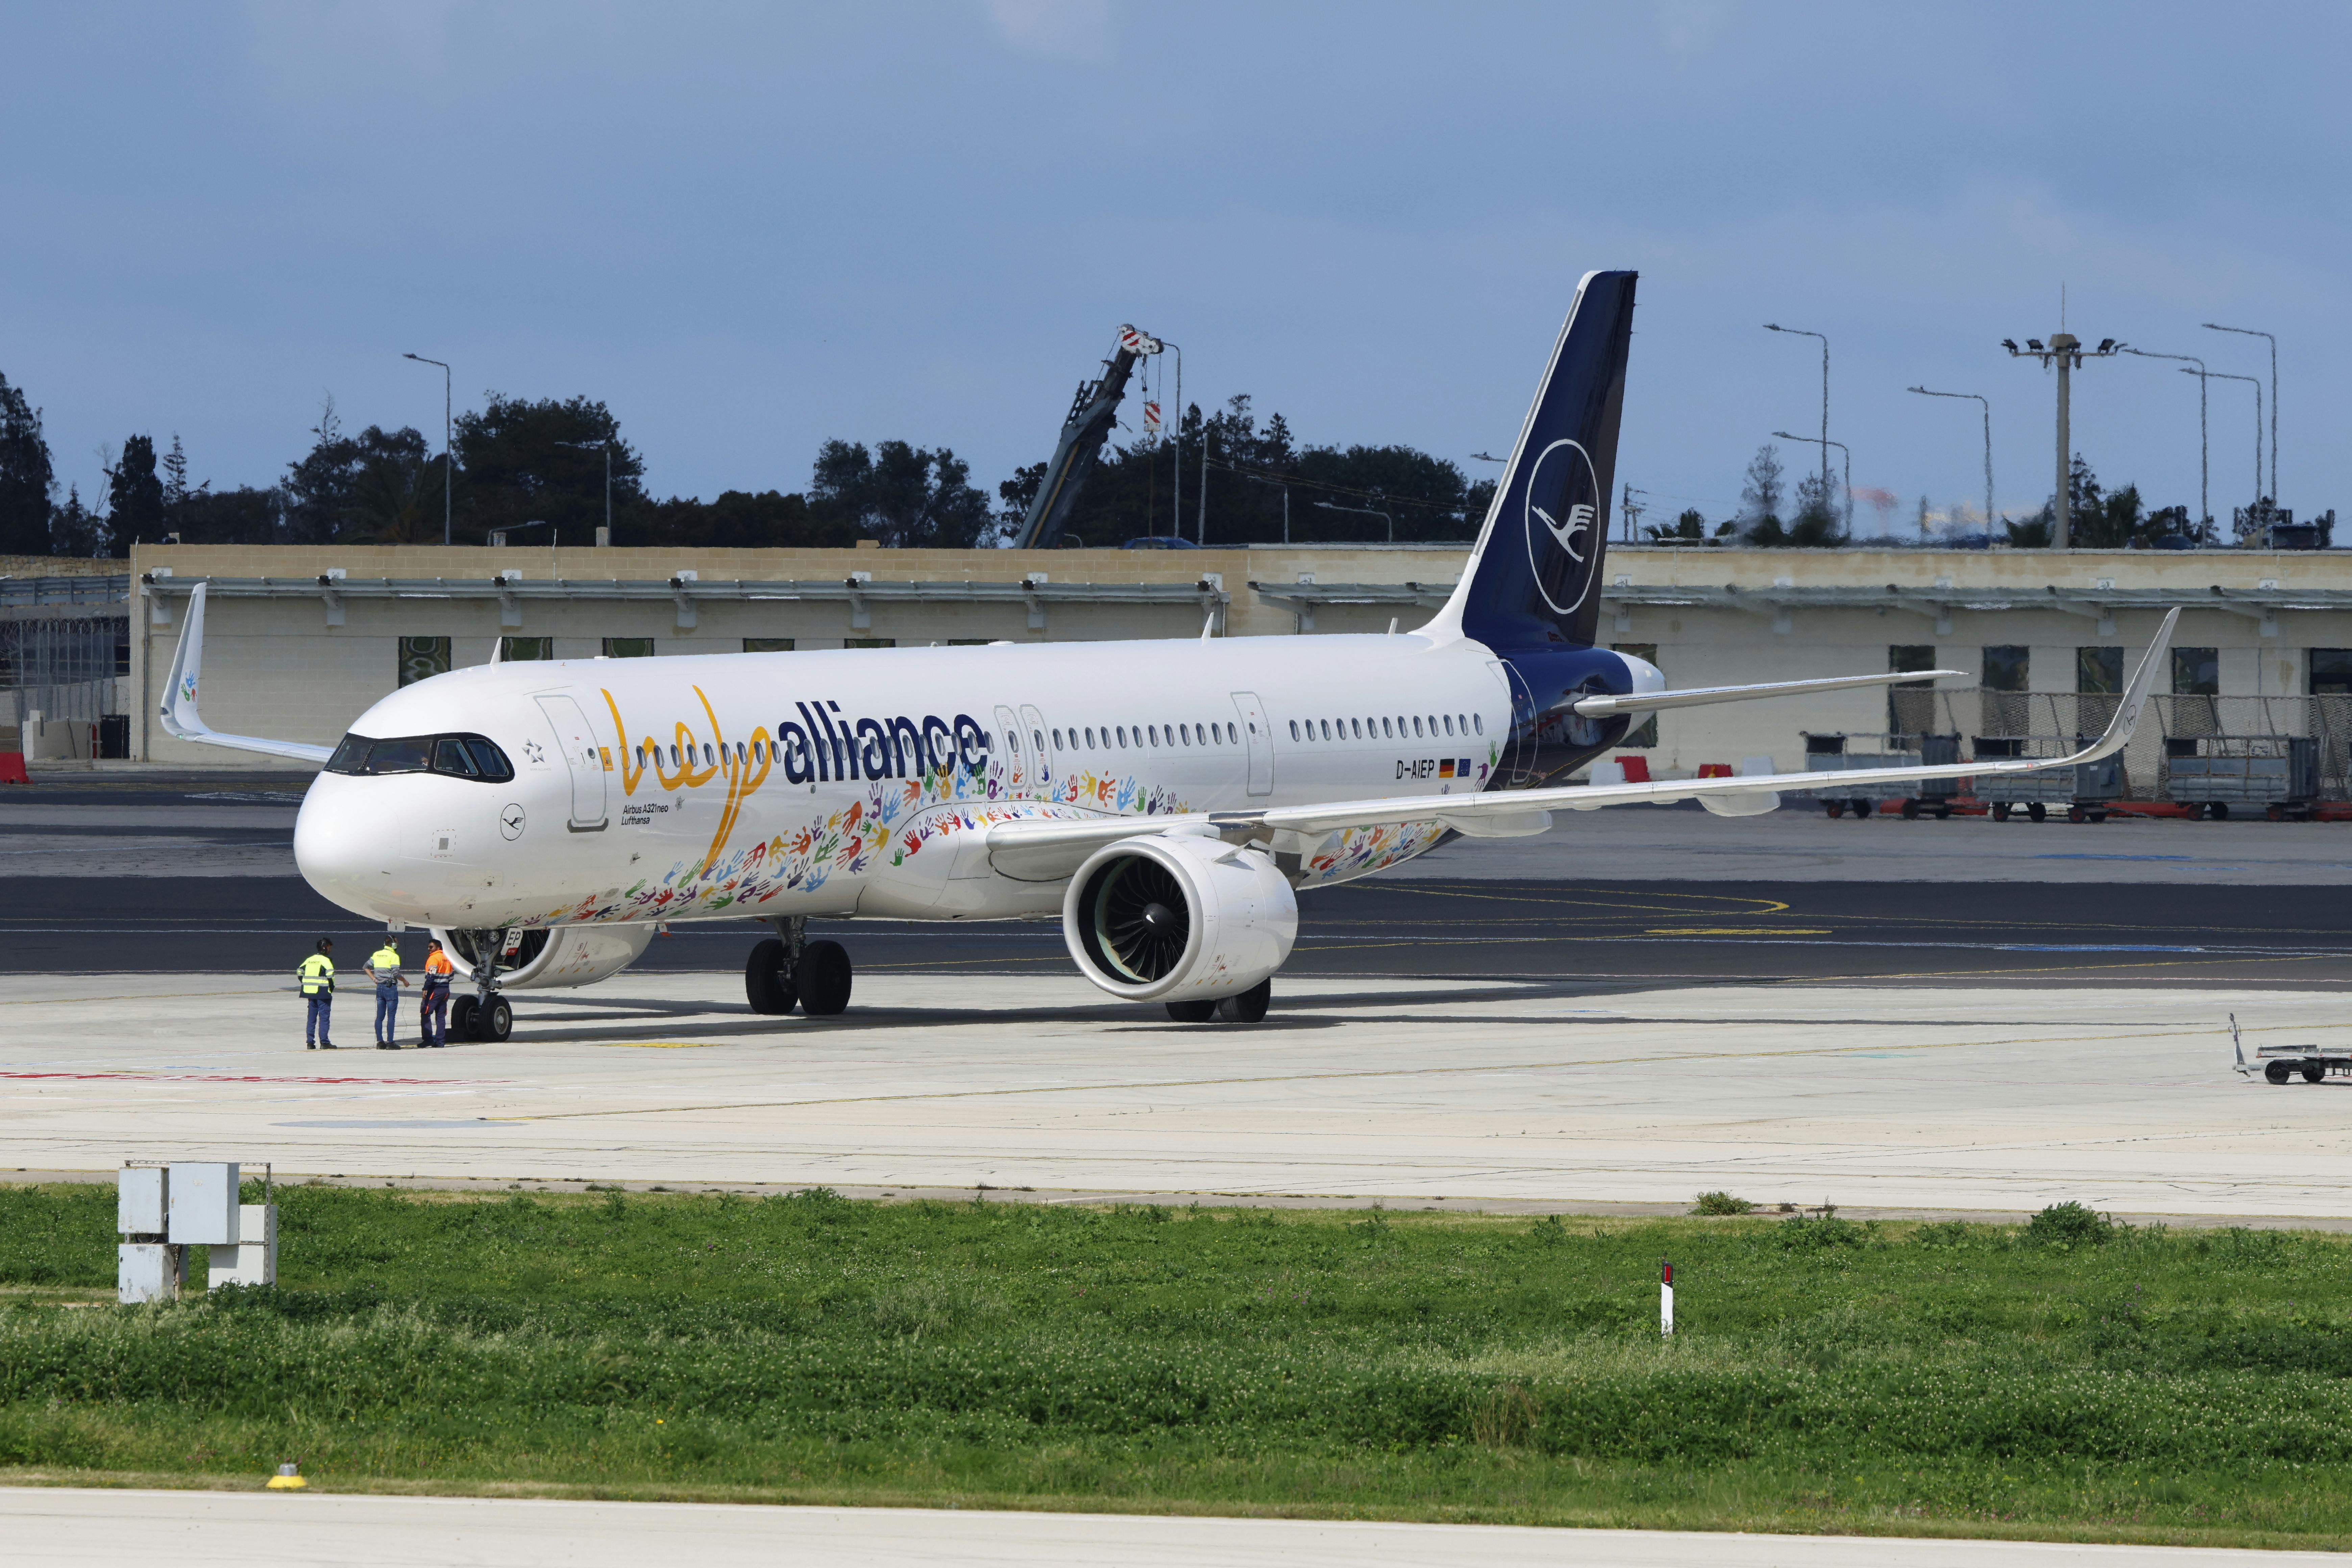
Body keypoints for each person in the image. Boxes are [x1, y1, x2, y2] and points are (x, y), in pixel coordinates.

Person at [366, 937, 408, 1050]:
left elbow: (366, 967)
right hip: (390, 988)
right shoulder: (394, 956)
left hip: (380, 987)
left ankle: (380, 1042)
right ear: (393, 944)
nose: (398, 944)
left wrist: (374, 979)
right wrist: (405, 981)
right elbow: (396, 973)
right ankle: (390, 1043)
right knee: (391, 1017)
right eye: (397, 942)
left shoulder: (377, 954)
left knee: (380, 1017)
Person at [298, 938, 336, 1049]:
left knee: (311, 1019)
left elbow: (299, 971)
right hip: (323, 994)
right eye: (329, 947)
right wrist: (331, 989)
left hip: (310, 993)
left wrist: (305, 983)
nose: (330, 950)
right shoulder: (325, 961)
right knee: (324, 1019)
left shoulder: (309, 960)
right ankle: (324, 1042)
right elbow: (330, 976)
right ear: (325, 948)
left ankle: (310, 1043)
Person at [420, 938, 456, 1047]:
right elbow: (451, 976)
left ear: (438, 948)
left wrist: (426, 988)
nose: (429, 949)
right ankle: (440, 1042)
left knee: (425, 1013)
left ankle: (428, 1039)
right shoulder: (447, 959)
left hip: (435, 990)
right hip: (445, 990)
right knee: (441, 1016)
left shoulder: (434, 959)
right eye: (429, 947)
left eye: (431, 947)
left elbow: (431, 976)